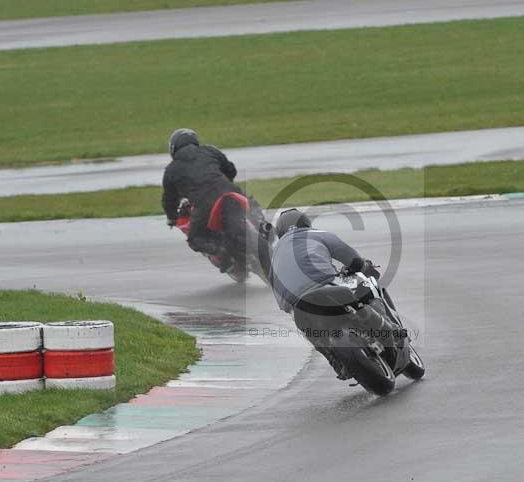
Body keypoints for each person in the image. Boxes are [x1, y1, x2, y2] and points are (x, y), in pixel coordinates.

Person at [270, 208, 396, 379]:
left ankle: (336, 362)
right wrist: (363, 266)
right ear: (306, 223)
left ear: (280, 232)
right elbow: (354, 260)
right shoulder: (317, 234)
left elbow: (278, 295)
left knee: (313, 333)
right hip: (325, 285)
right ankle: (388, 330)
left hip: (296, 303)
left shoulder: (275, 254)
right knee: (360, 291)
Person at [161, 128, 249, 269]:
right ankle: (262, 225)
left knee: (195, 239)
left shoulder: (171, 170)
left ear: (173, 148)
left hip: (205, 203)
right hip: (230, 192)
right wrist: (225, 181)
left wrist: (172, 218)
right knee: (247, 201)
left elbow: (169, 200)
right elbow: (231, 170)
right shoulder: (209, 151)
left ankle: (223, 252)